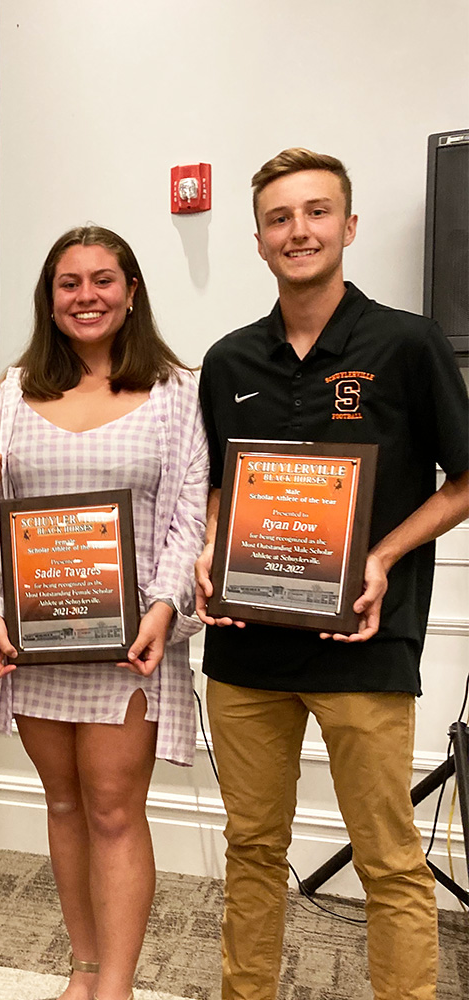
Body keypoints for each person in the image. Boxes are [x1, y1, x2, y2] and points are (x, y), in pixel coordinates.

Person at [195, 147, 469, 1000]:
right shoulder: (229, 360)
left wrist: (383, 556)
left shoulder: (408, 343)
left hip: (365, 643)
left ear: (347, 226)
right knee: (252, 849)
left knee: (388, 860)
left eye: (316, 212)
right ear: (258, 238)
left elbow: (463, 481)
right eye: (280, 217)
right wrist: (211, 551)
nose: (298, 230)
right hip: (247, 655)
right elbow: (217, 489)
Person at [0, 225, 208, 1000]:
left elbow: (186, 520)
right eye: (68, 283)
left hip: (130, 643)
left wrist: (167, 608)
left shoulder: (176, 391)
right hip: (36, 641)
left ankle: (119, 985)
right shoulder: (9, 395)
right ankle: (81, 967)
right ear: (49, 299)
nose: (86, 297)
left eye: (103, 280)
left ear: (132, 291)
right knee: (64, 802)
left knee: (112, 809)